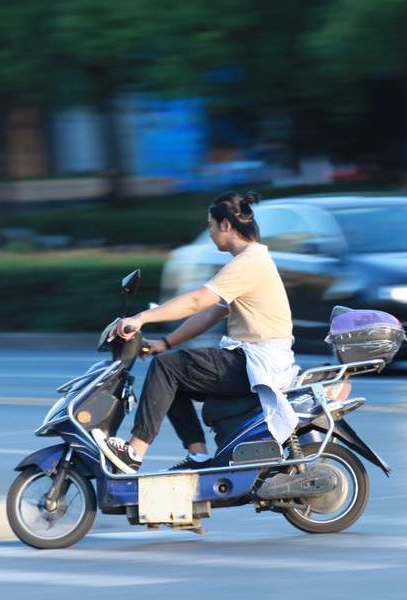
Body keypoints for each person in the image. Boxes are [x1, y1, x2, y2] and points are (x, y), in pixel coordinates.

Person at [98, 190, 299, 473]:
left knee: (167, 369)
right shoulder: (251, 261)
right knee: (170, 372)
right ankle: (198, 456)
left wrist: (142, 318)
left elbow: (196, 301)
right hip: (252, 359)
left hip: (257, 362)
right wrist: (166, 342)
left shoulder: (249, 262)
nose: (210, 233)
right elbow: (210, 313)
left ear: (226, 225)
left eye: (210, 227)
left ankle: (134, 451)